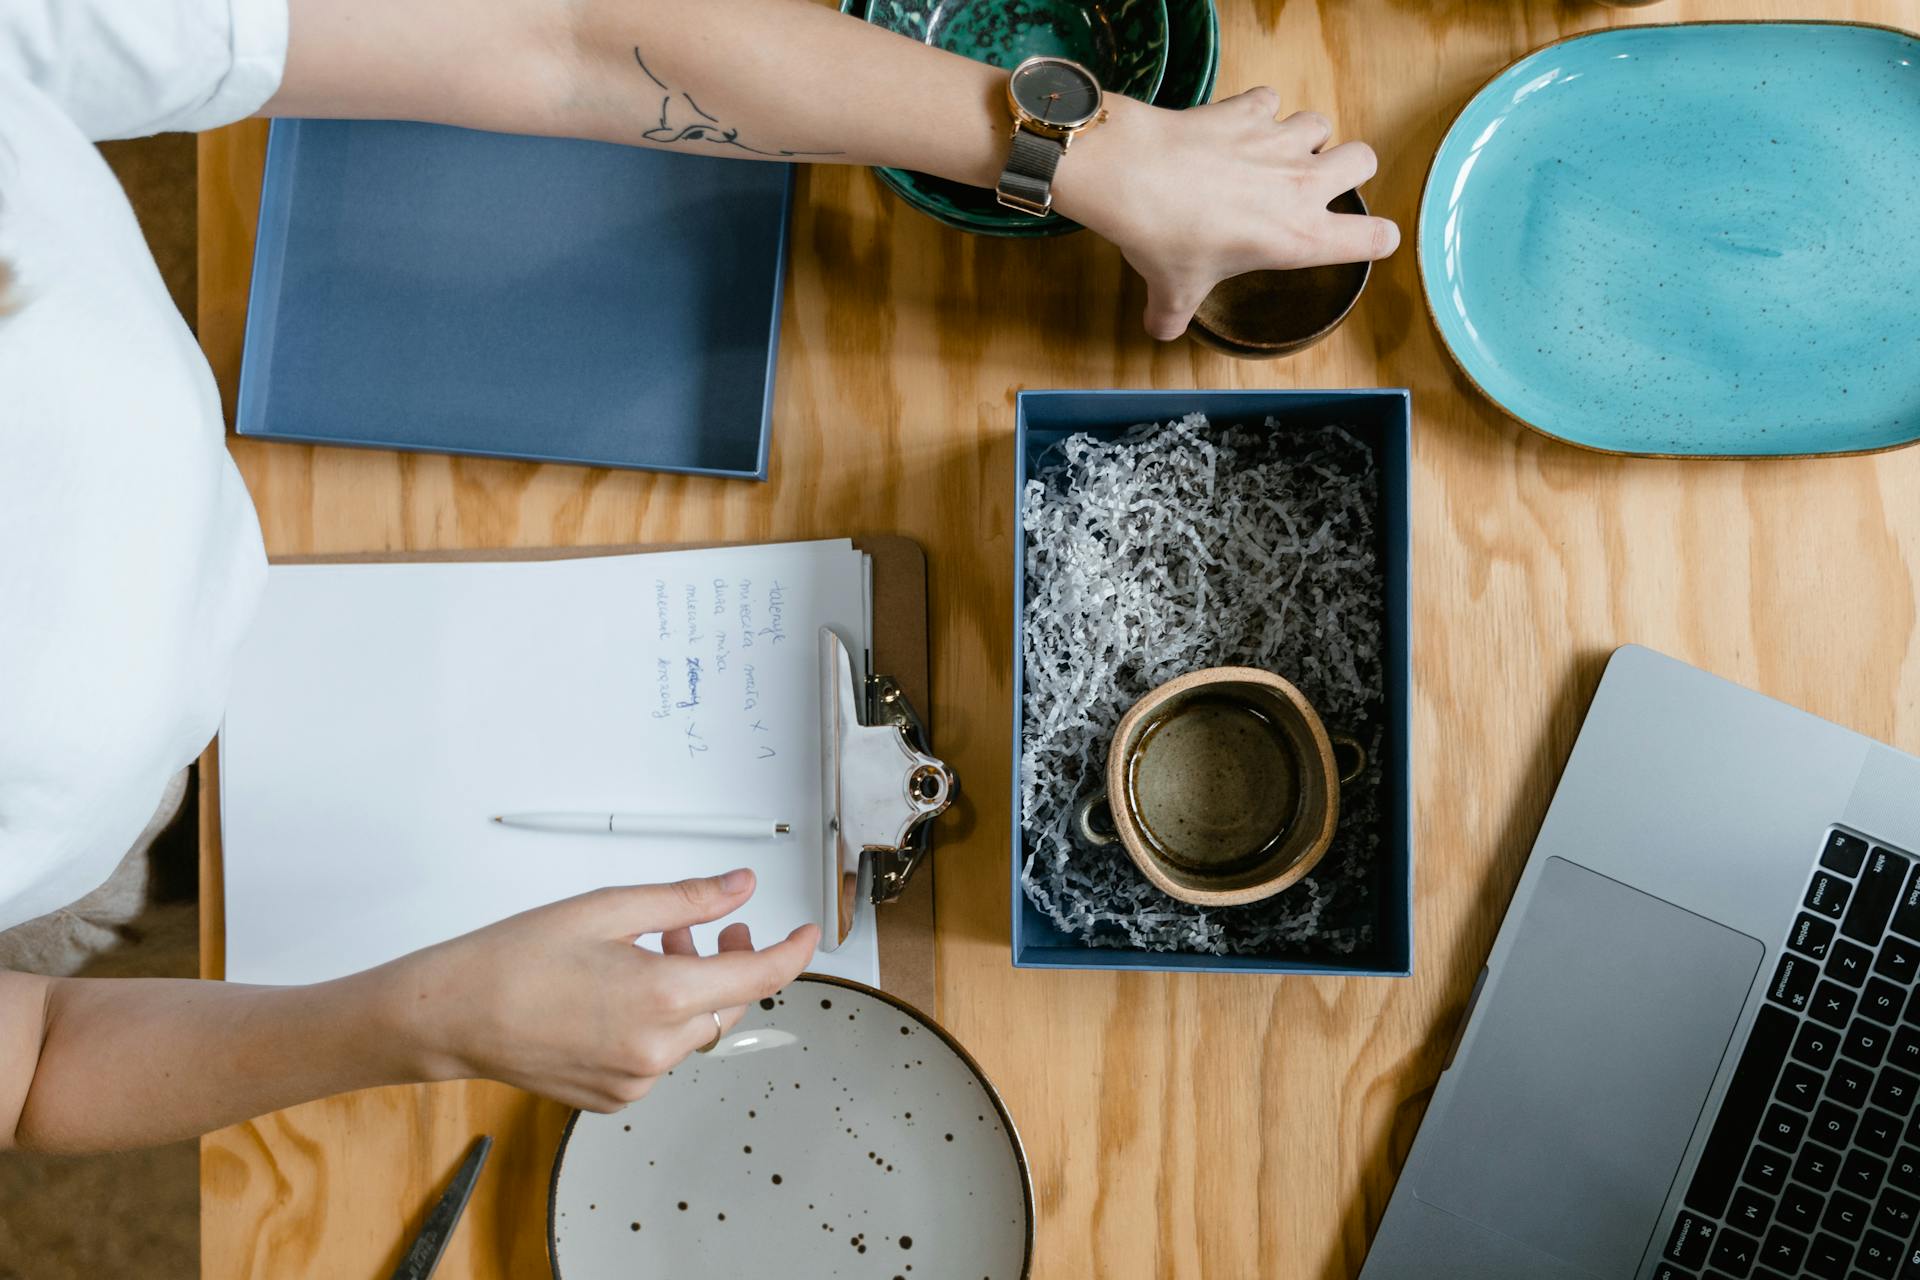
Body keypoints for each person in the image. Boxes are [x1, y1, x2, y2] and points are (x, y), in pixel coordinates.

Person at [0, 0, 1398, 1155]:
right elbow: (36, 1057)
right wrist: (410, 1020)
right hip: (73, 863)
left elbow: (560, 36)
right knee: (164, 891)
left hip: (220, 621)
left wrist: (1078, 148)